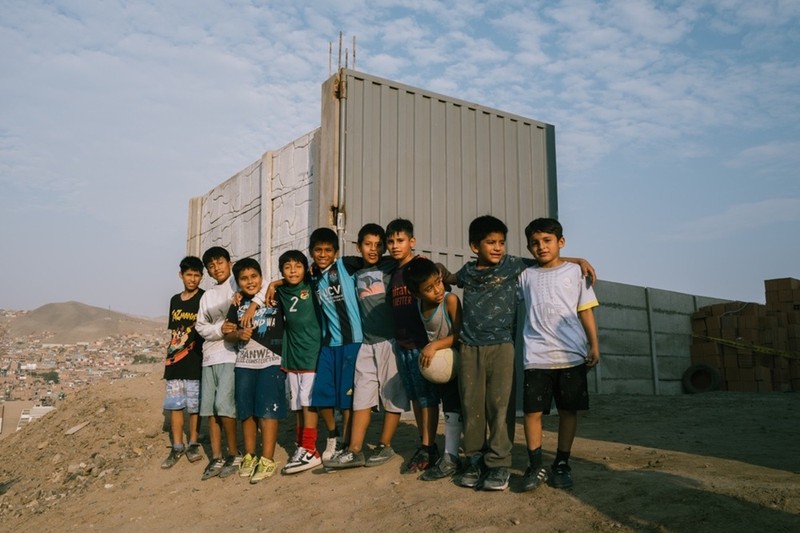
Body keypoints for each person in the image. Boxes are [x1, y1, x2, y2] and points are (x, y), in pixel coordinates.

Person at [441, 215, 595, 491]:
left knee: (501, 407)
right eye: (491, 243)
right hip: (470, 346)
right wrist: (441, 271)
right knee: (472, 406)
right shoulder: (469, 271)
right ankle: (475, 459)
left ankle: (500, 464)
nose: (498, 248)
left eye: (502, 242)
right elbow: (451, 279)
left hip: (503, 345)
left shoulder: (513, 265)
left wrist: (579, 260)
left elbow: (548, 260)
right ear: (475, 246)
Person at [518, 218, 599, 491]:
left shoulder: (576, 273)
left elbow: (585, 310)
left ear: (560, 242)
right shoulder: (525, 276)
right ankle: (535, 464)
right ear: (529, 247)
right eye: (535, 243)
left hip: (571, 355)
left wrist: (594, 345)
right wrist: (578, 257)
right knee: (532, 412)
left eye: (547, 241)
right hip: (536, 355)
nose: (541, 247)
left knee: (568, 411)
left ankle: (562, 463)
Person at [324, 224, 410, 469]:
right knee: (361, 396)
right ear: (358, 246)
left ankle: (385, 445)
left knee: (392, 395)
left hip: (390, 342)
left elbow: (412, 262)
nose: (373, 249)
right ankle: (354, 450)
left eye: (378, 244)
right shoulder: (354, 268)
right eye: (368, 244)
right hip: (366, 344)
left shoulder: (389, 265)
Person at [223, 257, 286, 484]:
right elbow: (227, 333)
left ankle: (267, 459)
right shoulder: (236, 303)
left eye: (254, 277)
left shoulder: (273, 297)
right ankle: (250, 456)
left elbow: (294, 279)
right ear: (238, 282)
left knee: (268, 410)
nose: (250, 282)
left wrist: (273, 285)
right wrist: (238, 335)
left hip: (271, 361)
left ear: (261, 277)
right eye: (244, 279)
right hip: (244, 363)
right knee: (247, 412)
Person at [385, 218, 440, 473]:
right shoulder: (393, 272)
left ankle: (431, 447)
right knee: (417, 398)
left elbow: (441, 290)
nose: (395, 246)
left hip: (422, 344)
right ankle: (424, 442)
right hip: (403, 345)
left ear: (412, 242)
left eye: (400, 240)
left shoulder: (422, 267)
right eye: (391, 241)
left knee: (428, 398)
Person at [404, 257, 463, 481]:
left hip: (455, 364)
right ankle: (440, 451)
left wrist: (435, 345)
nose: (437, 290)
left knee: (454, 409)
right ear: (417, 295)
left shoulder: (450, 300)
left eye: (438, 282)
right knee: (437, 406)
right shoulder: (420, 305)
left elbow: (459, 335)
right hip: (438, 365)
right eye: (429, 288)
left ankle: (452, 456)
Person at [307, 227, 363, 460]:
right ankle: (333, 435)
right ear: (311, 252)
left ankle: (348, 443)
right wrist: (274, 285)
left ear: (336, 252)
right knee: (321, 394)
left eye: (327, 250)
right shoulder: (312, 277)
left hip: (353, 342)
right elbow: (289, 276)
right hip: (328, 345)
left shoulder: (346, 266)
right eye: (318, 250)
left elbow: (378, 260)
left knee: (347, 397)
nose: (322, 254)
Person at [194, 247, 242, 480]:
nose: (217, 268)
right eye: (211, 266)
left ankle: (235, 453)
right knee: (210, 410)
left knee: (224, 406)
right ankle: (217, 456)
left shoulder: (238, 285)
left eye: (220, 262)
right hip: (209, 357)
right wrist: (219, 329)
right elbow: (201, 327)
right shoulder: (207, 296)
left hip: (230, 355)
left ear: (229, 262)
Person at [275, 250, 324, 475]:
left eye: (298, 266)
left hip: (311, 353)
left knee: (308, 401)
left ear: (305, 268)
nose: (293, 270)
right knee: (296, 403)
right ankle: (301, 445)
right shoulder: (281, 290)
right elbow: (260, 292)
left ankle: (311, 449)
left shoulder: (312, 286)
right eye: (287, 267)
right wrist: (269, 287)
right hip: (292, 355)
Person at [161, 256, 206, 469]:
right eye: (189, 274)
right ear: (181, 275)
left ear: (201, 277)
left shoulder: (205, 298)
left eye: (197, 275)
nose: (193, 279)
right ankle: (177, 446)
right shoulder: (175, 300)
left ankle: (194, 443)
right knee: (175, 406)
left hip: (196, 358)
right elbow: (175, 332)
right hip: (174, 360)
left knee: (194, 406)